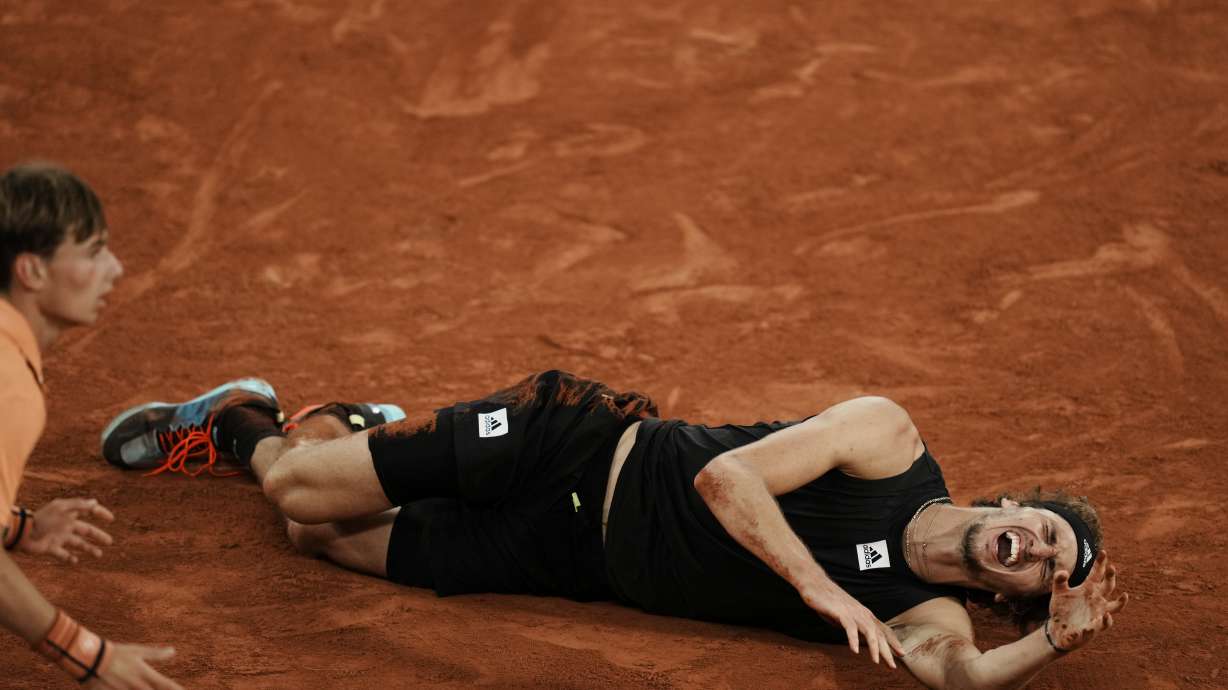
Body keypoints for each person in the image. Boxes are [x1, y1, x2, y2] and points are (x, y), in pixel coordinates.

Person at [101, 369, 1128, 689]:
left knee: (315, 541)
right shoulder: (886, 440)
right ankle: (245, 424)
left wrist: (1052, 642)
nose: (1035, 550)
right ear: (1006, 506)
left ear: (1007, 595)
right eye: (1039, 529)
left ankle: (309, 428)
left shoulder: (934, 612)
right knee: (297, 496)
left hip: (568, 559)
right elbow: (726, 479)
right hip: (572, 453)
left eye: (1045, 573)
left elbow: (955, 678)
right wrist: (819, 590)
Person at [1, 162, 181, 690]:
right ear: (31, 271)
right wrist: (87, 654)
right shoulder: (10, 385)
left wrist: (19, 528)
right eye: (93, 251)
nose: (117, 268)